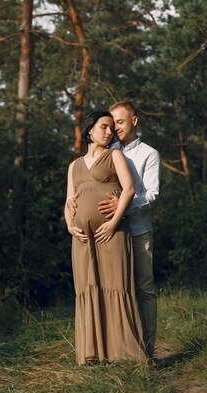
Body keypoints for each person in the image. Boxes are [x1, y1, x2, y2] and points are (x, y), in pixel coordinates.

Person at [68, 102, 160, 358]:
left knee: (141, 288)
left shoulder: (148, 154)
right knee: (105, 286)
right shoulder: (108, 149)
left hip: (135, 228)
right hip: (101, 235)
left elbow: (150, 194)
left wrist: (121, 207)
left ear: (134, 121)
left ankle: (147, 348)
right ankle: (107, 347)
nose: (113, 129)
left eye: (118, 123)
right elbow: (74, 194)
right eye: (109, 124)